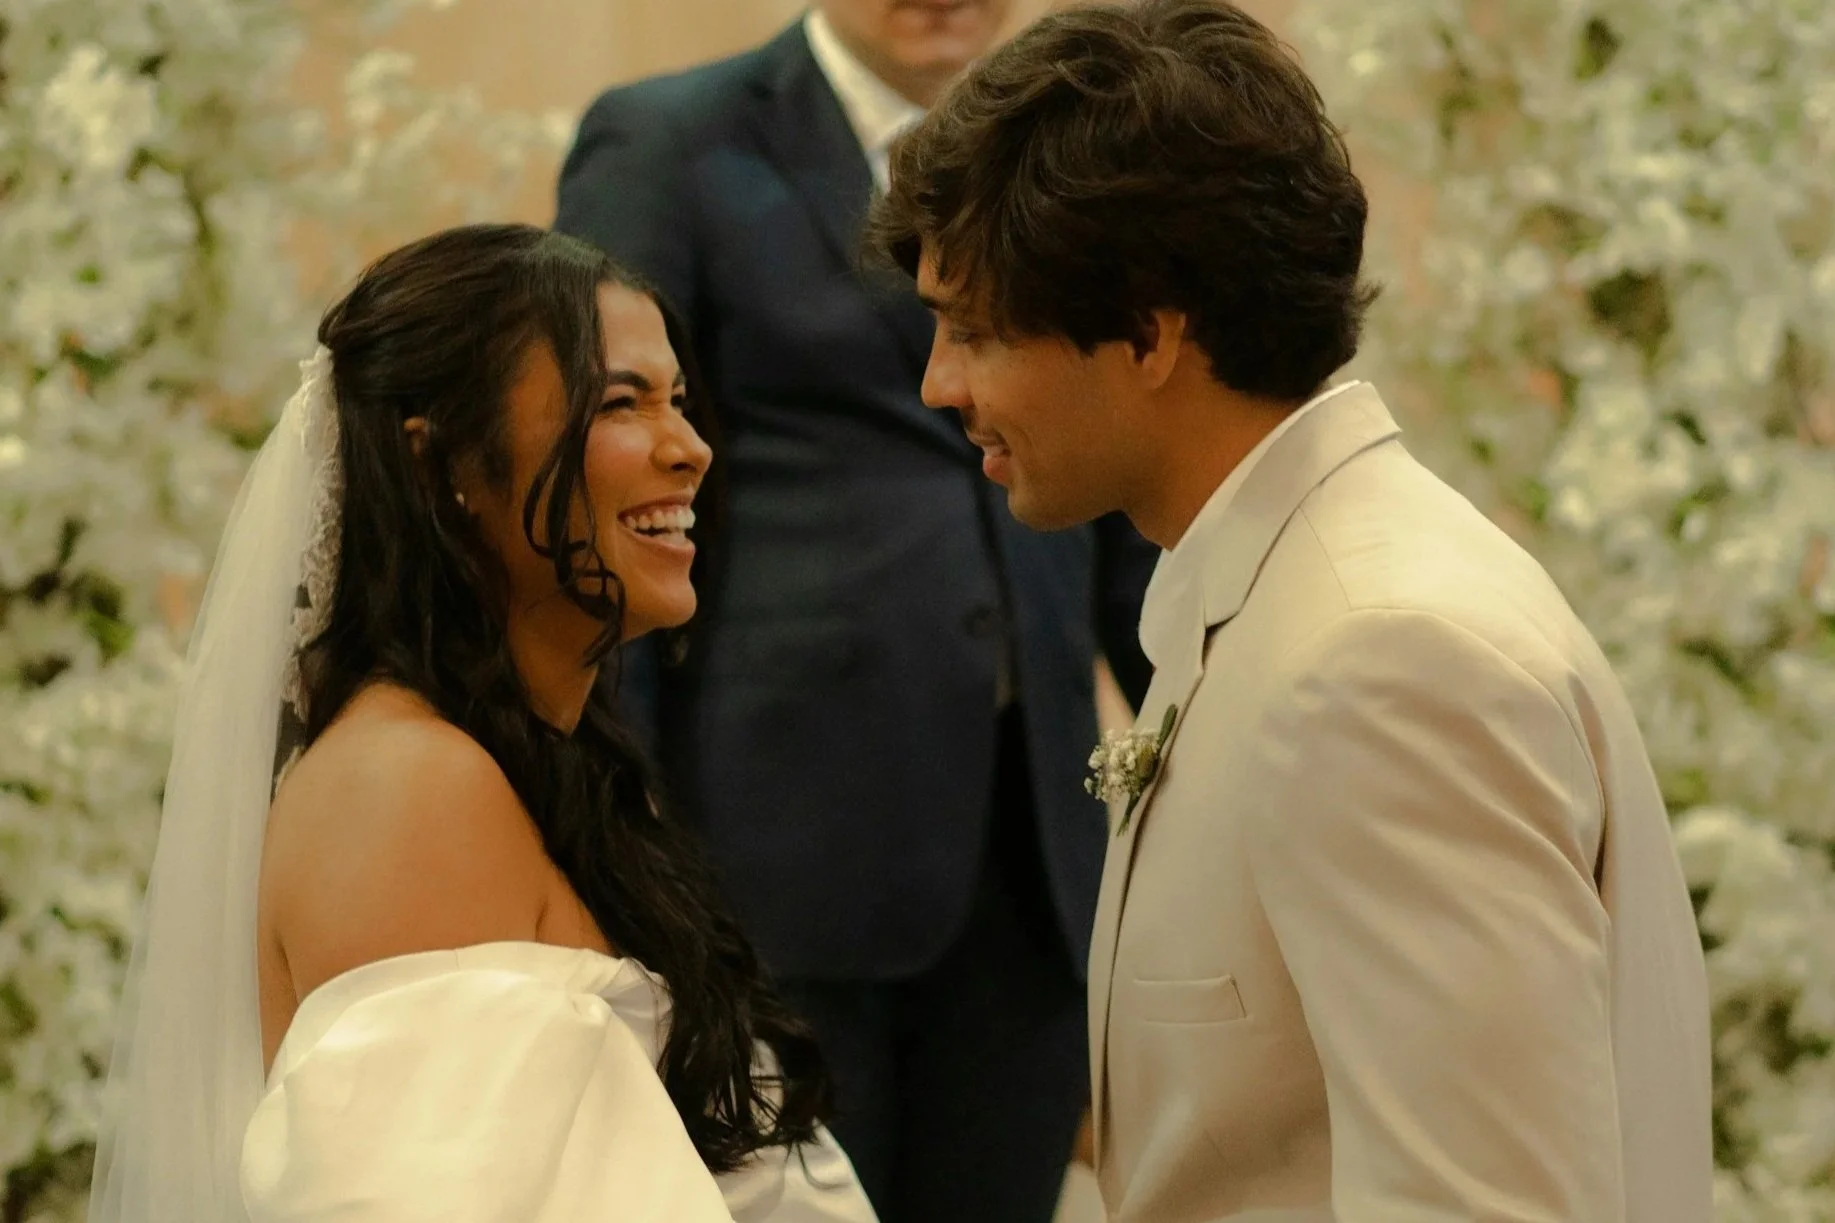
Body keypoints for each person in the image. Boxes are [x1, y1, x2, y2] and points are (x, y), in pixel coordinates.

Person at [867, 1, 1716, 1220]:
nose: (937, 384)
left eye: (976, 331)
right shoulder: (1272, 593)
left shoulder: (1380, 654)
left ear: (1152, 332)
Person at [87, 223, 878, 1223]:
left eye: (677, 399)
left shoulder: (550, 760)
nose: (689, 448)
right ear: (443, 464)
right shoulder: (404, 788)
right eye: (619, 403)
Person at [554, 5, 1158, 1220]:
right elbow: (598, 489)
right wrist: (620, 834)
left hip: (1032, 844)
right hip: (776, 845)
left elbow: (1121, 466)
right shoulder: (671, 140)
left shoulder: (1066, 146)